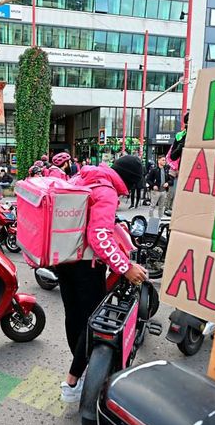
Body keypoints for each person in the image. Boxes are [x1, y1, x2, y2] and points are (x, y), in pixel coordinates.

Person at [58, 156, 148, 403]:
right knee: (93, 323)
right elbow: (98, 236)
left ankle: (81, 364)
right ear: (130, 181)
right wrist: (125, 266)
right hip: (86, 267)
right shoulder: (107, 191)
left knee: (74, 317)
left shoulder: (85, 177)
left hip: (62, 258)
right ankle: (73, 381)